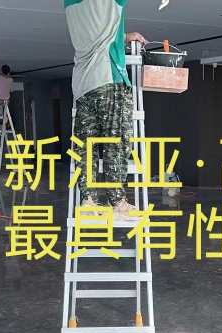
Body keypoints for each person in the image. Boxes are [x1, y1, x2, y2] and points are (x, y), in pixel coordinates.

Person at [64, 0, 147, 221]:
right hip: (107, 77)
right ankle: (118, 203)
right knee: (116, 142)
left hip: (83, 83)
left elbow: (97, 29)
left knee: (86, 146)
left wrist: (123, 36)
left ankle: (88, 201)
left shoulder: (70, 3)